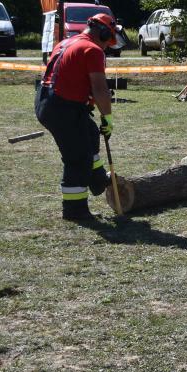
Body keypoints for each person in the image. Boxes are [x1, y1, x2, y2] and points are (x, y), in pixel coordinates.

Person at [35, 13, 121, 222]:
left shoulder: (67, 42)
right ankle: (75, 210)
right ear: (102, 32)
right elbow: (100, 89)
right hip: (63, 108)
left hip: (49, 102)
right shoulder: (92, 50)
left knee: (90, 134)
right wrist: (107, 118)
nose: (108, 46)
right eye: (108, 40)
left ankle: (97, 179)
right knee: (77, 159)